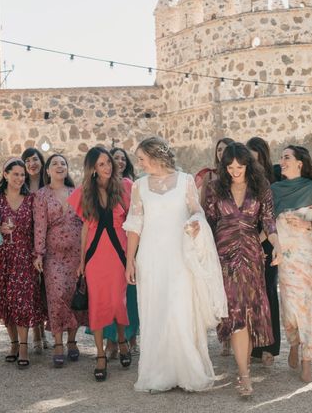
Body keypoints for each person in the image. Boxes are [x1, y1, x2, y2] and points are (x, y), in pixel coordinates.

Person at [124, 136, 226, 393]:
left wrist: (195, 222)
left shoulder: (186, 181)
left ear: (156, 156)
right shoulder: (139, 186)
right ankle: (159, 373)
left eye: (142, 158)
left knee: (180, 308)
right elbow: (134, 226)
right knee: (155, 309)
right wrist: (130, 261)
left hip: (180, 254)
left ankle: (187, 371)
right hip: (150, 256)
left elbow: (197, 211)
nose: (139, 164)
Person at [204, 142, 282, 397]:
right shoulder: (215, 188)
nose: (235, 171)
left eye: (239, 166)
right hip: (223, 259)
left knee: (248, 316)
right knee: (235, 314)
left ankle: (243, 369)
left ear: (248, 164)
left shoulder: (261, 187)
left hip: (251, 257)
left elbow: (268, 222)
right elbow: (207, 222)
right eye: (230, 167)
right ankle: (245, 374)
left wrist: (277, 245)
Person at [68, 147, 132, 381]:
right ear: (93, 169)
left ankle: (122, 340)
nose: (106, 167)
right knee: (97, 305)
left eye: (108, 163)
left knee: (117, 302)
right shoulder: (84, 192)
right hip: (95, 256)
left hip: (119, 255)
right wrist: (82, 261)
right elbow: (85, 228)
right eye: (101, 164)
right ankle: (100, 355)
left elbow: (134, 220)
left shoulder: (125, 187)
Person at [273, 145, 312, 382]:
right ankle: (294, 343)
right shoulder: (274, 189)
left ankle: (308, 358)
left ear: (300, 163)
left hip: (311, 258)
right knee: (290, 306)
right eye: (282, 157)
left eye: (287, 157)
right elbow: (267, 224)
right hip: (287, 259)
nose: (282, 161)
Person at [0, 158, 45, 369]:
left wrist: (38, 254)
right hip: (1, 255)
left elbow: (38, 229)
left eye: (22, 175)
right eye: (15, 174)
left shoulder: (31, 199)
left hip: (24, 256)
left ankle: (25, 347)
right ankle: (13, 344)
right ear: (5, 174)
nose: (19, 178)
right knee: (7, 300)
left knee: (23, 300)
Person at [33, 154, 88, 367]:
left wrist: (86, 254)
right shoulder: (41, 195)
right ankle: (57, 342)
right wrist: (39, 253)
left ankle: (72, 342)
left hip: (76, 252)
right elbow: (40, 225)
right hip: (53, 256)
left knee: (73, 294)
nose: (59, 166)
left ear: (67, 169)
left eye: (63, 163)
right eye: (54, 163)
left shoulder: (77, 193)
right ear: (47, 170)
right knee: (56, 296)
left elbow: (86, 223)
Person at [194, 136, 234, 356]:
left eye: (226, 149)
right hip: (214, 234)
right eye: (219, 150)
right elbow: (201, 205)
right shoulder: (209, 175)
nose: (221, 153)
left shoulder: (239, 174)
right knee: (218, 286)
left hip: (234, 236)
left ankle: (236, 333)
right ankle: (224, 337)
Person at [100, 147, 140, 360]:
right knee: (108, 296)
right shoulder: (100, 185)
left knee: (128, 296)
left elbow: (136, 217)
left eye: (122, 158)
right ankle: (110, 341)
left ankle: (131, 337)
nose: (119, 162)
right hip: (104, 246)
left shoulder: (129, 185)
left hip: (126, 244)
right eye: (115, 158)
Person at [246, 137, 281, 367]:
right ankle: (253, 346)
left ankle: (270, 346)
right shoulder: (244, 179)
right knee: (250, 294)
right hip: (247, 240)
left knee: (268, 291)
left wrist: (261, 241)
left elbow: (272, 215)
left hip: (268, 239)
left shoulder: (275, 175)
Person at [21, 147, 48, 351]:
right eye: (28, 160)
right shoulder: (20, 185)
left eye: (35, 159)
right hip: (25, 241)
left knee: (44, 288)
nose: (32, 163)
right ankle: (36, 334)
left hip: (47, 240)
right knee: (31, 288)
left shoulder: (48, 185)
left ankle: (44, 332)